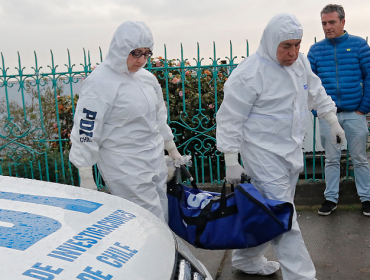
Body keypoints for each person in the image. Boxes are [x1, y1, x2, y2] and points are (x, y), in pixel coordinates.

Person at [216, 13, 345, 279]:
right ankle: (302, 276)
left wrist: (332, 121)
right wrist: (231, 158)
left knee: (271, 213)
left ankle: (246, 258)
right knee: (285, 217)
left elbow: (316, 92)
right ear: (271, 41)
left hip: (290, 152)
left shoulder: (300, 64)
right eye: (286, 46)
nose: (293, 52)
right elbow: (230, 119)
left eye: (297, 45)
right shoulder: (248, 74)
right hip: (263, 155)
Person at [69, 21, 183, 223]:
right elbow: (86, 128)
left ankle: (166, 253)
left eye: (146, 53)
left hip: (153, 157)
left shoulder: (146, 79)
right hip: (124, 164)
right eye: (135, 53)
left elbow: (158, 116)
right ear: (120, 49)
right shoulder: (100, 82)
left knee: (163, 212)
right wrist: (85, 172)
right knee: (147, 220)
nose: (141, 60)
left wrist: (170, 147)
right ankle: (155, 254)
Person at [308, 4, 370, 217]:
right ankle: (330, 199)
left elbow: (369, 77)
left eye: (332, 22)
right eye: (324, 23)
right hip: (328, 116)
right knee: (331, 159)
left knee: (360, 157)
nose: (327, 27)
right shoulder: (316, 51)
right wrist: (318, 112)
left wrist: (363, 108)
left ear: (343, 22)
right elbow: (309, 84)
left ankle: (367, 198)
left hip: (355, 113)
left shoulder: (360, 45)